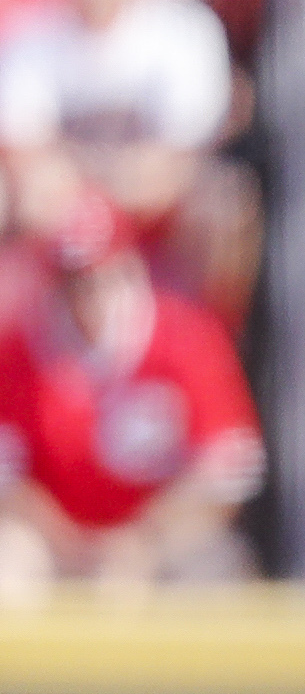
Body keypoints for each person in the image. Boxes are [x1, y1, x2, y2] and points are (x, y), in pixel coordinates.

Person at [0, 0, 253, 319]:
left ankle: (208, 338)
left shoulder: (184, 31)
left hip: (156, 217)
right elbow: (28, 164)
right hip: (62, 220)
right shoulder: (31, 37)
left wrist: (92, 178)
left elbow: (176, 164)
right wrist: (90, 188)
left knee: (223, 203)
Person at [0, 186, 254, 585]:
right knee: (9, 563)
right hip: (55, 545)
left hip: (161, 542)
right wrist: (71, 544)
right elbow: (7, 479)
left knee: (215, 575)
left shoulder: (188, 337)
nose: (91, 297)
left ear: (131, 269)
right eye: (75, 282)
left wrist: (142, 543)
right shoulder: (20, 348)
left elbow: (226, 474)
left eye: (103, 278)